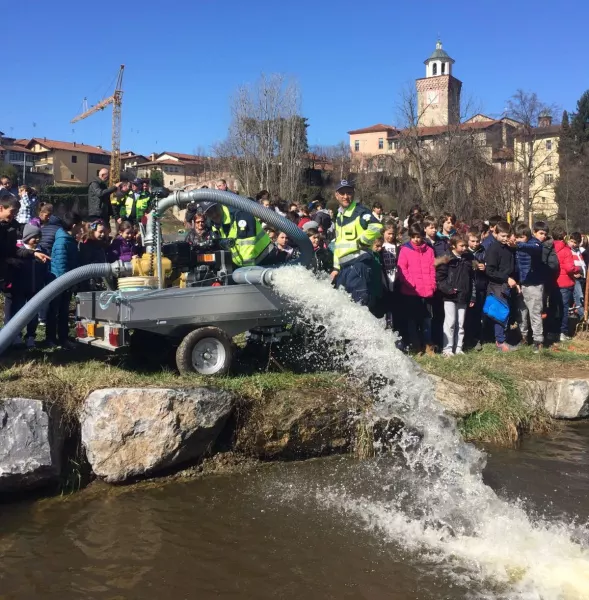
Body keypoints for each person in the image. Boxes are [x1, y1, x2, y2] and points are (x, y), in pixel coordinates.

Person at [330, 180, 384, 307]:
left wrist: (362, 241)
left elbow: (377, 226)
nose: (345, 196)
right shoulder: (339, 216)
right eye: (342, 193)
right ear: (336, 195)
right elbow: (339, 245)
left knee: (359, 308)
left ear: (353, 194)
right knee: (343, 308)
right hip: (344, 269)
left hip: (358, 266)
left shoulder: (360, 211)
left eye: (348, 193)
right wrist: (336, 268)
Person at [200, 201, 285, 267]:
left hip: (266, 260)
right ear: (205, 214)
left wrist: (242, 273)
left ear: (220, 205)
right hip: (247, 266)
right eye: (210, 212)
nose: (214, 214)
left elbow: (247, 251)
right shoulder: (214, 226)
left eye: (215, 209)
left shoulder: (241, 216)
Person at [396, 223, 436, 354]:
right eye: (413, 237)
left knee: (427, 320)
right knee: (412, 321)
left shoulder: (429, 250)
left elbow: (431, 269)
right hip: (411, 292)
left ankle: (428, 344)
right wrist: (412, 284)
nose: (416, 240)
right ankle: (416, 345)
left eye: (418, 237)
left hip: (427, 291)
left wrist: (432, 285)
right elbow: (402, 270)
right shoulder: (405, 250)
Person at [45, 213, 83, 349]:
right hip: (59, 282)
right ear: (74, 226)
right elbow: (61, 265)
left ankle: (63, 338)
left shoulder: (69, 240)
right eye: (80, 225)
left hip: (66, 282)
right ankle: (51, 338)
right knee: (55, 311)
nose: (81, 228)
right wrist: (66, 283)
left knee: (63, 311)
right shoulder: (62, 241)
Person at [8, 224, 48, 347]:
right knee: (18, 312)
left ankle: (31, 336)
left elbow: (44, 270)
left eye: (39, 236)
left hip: (35, 288)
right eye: (34, 237)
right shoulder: (19, 251)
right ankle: (17, 336)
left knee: (33, 314)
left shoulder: (42, 251)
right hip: (20, 288)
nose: (37, 239)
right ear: (26, 238)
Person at [436, 234, 475, 357]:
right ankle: (447, 349)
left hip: (463, 295)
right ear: (453, 245)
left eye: (465, 245)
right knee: (450, 322)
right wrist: (448, 289)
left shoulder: (468, 258)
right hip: (450, 296)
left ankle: (458, 348)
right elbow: (440, 279)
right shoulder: (446, 258)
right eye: (461, 246)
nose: (464, 248)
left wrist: (472, 296)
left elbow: (472, 279)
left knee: (460, 323)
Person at [485, 221, 518, 352]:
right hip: (497, 285)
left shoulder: (509, 248)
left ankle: (504, 338)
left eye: (507, 236)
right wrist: (506, 278)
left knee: (506, 313)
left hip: (507, 285)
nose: (505, 239)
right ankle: (500, 342)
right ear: (496, 233)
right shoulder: (493, 249)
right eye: (502, 236)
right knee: (499, 314)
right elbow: (490, 271)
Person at [514, 223, 545, 352]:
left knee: (535, 313)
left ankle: (538, 340)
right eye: (517, 237)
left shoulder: (535, 243)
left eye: (520, 237)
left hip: (534, 285)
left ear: (526, 236)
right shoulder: (517, 246)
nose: (518, 240)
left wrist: (519, 244)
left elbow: (535, 248)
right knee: (522, 313)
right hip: (521, 284)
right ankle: (524, 337)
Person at [552, 225, 579, 342]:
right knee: (564, 308)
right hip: (565, 282)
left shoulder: (550, 247)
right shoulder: (566, 250)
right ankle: (563, 332)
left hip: (553, 281)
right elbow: (569, 268)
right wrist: (576, 270)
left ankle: (552, 331)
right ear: (564, 237)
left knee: (554, 307)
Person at [465, 227, 487, 351]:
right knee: (467, 315)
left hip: (480, 286)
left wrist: (485, 267)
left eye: (477, 241)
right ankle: (466, 338)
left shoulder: (483, 251)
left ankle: (477, 338)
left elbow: (490, 263)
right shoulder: (465, 252)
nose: (475, 244)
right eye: (472, 241)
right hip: (467, 288)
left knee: (478, 314)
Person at [381, 221, 398, 330]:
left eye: (393, 234)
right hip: (384, 276)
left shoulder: (397, 246)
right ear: (383, 233)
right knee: (385, 299)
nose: (391, 236)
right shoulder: (381, 246)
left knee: (393, 300)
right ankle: (386, 323)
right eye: (388, 233)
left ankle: (393, 324)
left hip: (394, 275)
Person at [569, 232, 586, 320]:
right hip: (575, 277)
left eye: (576, 242)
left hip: (583, 277)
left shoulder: (579, 250)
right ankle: (583, 316)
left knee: (583, 297)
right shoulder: (568, 250)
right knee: (579, 296)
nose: (573, 244)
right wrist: (573, 273)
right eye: (572, 241)